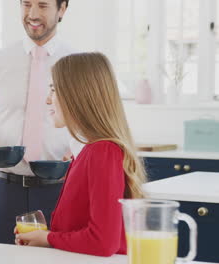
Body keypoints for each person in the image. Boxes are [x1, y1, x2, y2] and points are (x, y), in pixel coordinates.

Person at [0, 0, 83, 244]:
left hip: (61, 190)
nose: (33, 14)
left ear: (62, 9)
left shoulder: (78, 64)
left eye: (43, 6)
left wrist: (78, 150)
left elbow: (95, 124)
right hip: (6, 190)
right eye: (26, 4)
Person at [15, 52, 146, 256]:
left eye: (54, 90)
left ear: (75, 94)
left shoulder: (102, 151)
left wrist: (47, 238)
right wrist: (44, 236)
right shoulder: (86, 151)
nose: (49, 100)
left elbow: (103, 243)